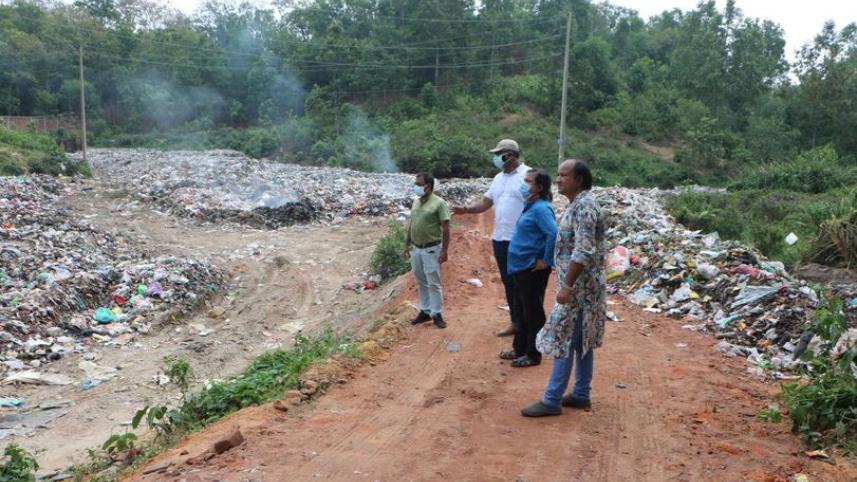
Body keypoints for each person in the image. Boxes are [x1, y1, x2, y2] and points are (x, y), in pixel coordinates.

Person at [521, 159, 606, 417]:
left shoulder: (584, 208)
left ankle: (552, 399)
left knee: (563, 339)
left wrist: (567, 285)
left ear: (579, 180)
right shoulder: (578, 205)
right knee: (581, 341)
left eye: (563, 175)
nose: (558, 180)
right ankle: (581, 394)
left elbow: (583, 250)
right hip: (583, 289)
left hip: (580, 291)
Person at [452, 139, 529, 337]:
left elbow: (538, 204)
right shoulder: (498, 178)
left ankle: (528, 324)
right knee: (508, 281)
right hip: (500, 238)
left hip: (520, 240)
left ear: (510, 155)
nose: (495, 158)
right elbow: (486, 202)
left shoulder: (527, 176)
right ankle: (515, 321)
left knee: (523, 283)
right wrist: (467, 209)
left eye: (499, 154)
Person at [500, 168, 557, 368]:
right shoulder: (530, 206)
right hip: (520, 267)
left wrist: (546, 260)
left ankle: (533, 354)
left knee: (532, 313)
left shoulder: (541, 208)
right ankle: (520, 349)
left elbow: (553, 234)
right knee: (521, 309)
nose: (523, 185)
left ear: (539, 187)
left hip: (532, 269)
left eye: (528, 182)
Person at [403, 173, 451, 329]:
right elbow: (412, 224)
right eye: (415, 183)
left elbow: (446, 228)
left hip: (431, 249)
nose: (415, 186)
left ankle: (437, 313)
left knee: (434, 283)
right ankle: (424, 311)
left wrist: (444, 250)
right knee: (421, 281)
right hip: (416, 248)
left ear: (428, 186)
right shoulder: (416, 202)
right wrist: (406, 244)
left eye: (418, 183)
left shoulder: (439, 203)